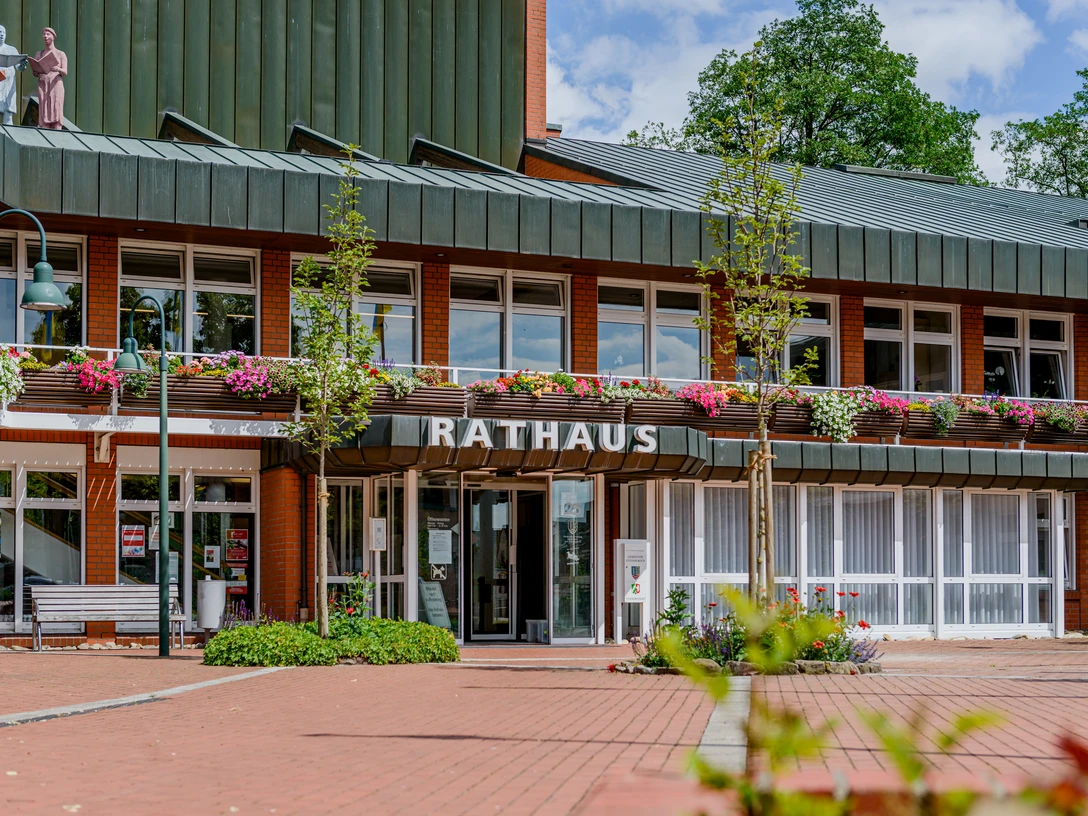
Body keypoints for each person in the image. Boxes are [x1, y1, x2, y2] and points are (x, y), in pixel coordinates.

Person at [31, 27, 66, 130]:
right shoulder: (39, 54)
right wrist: (35, 71)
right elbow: (35, 72)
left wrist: (58, 69)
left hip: (55, 84)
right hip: (43, 84)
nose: (45, 36)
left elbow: (65, 72)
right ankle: (45, 130)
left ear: (53, 37)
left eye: (48, 34)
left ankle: (57, 132)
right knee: (44, 109)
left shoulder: (60, 54)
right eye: (44, 34)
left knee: (56, 108)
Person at [0, 25, 27, 126]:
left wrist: (23, 66)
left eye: (3, 32)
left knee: (8, 113)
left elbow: (18, 67)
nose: (1, 35)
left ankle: (8, 137)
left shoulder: (11, 49)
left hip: (9, 85)